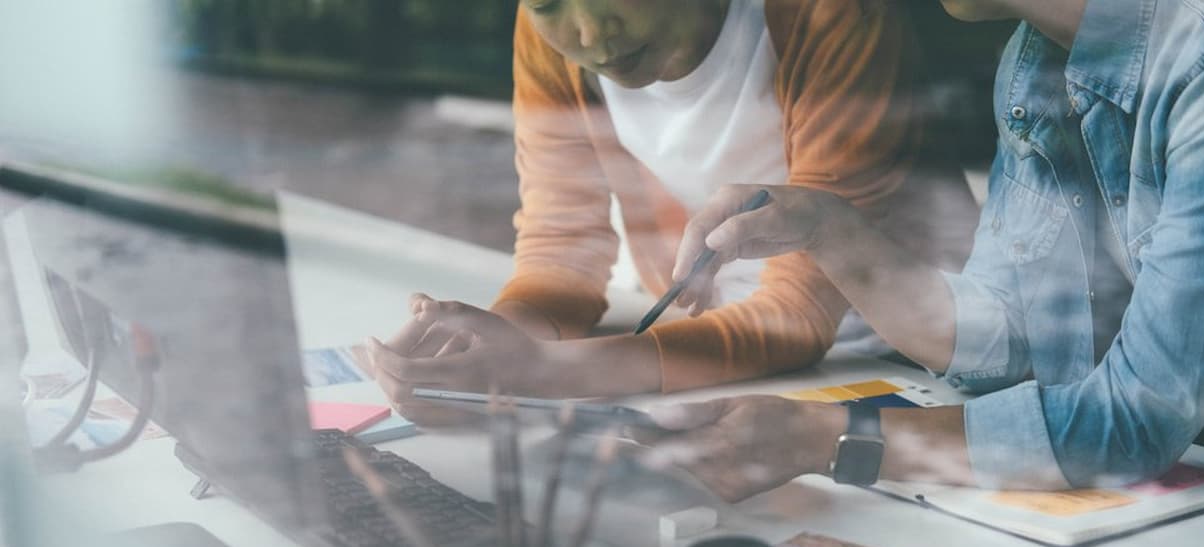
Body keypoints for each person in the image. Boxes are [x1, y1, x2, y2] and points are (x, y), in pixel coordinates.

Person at [639, 0, 1204, 500]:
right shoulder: (1031, 65)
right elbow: (1003, 339)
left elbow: (1134, 421)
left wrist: (827, 437)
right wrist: (823, 228)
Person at [367, 0, 977, 421]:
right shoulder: (547, 40)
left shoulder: (827, 14)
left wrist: (551, 373)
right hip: (713, 359)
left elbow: (799, 314)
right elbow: (561, 245)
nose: (589, 34)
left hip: (920, 357)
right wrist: (490, 351)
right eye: (549, 1)